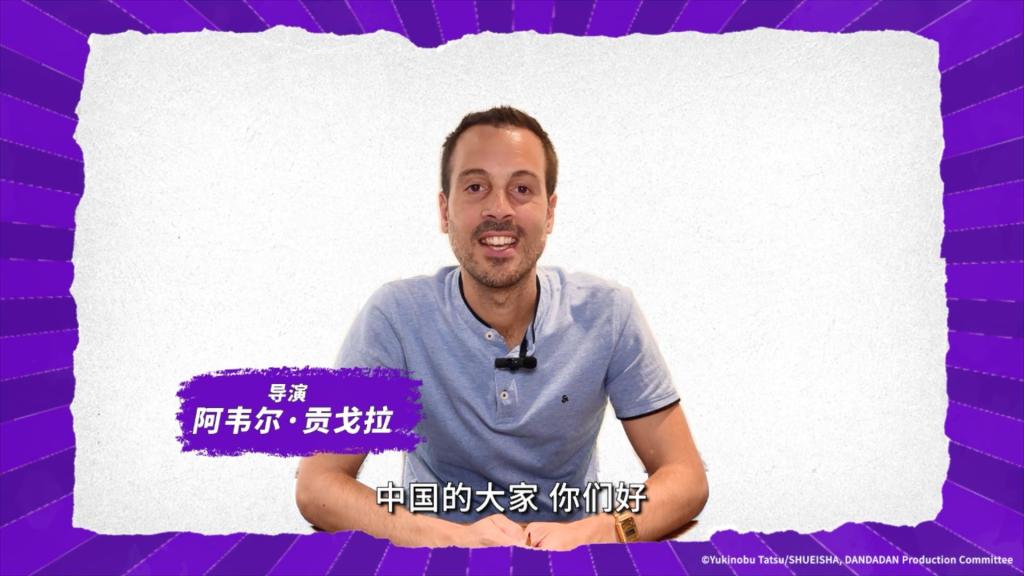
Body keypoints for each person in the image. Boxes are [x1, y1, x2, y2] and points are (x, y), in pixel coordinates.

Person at [295, 106, 707, 550]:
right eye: (475, 187)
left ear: (550, 213)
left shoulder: (608, 313)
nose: (499, 209)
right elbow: (318, 484)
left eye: (522, 189)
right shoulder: (396, 316)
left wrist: (597, 532)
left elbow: (684, 477)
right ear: (444, 211)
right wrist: (454, 539)